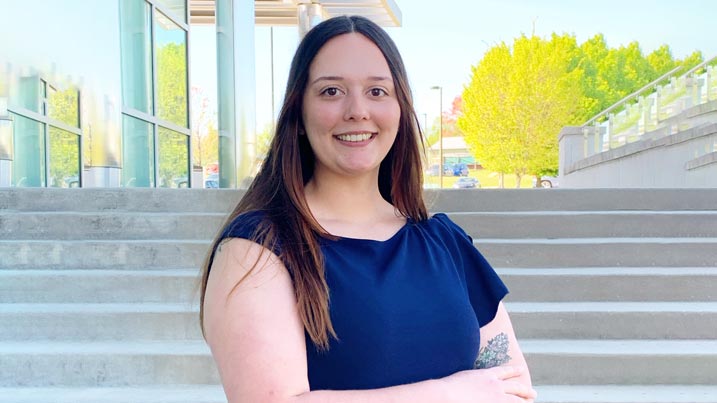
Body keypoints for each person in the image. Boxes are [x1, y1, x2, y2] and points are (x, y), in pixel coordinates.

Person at [199, 15, 536, 403]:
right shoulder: (257, 249)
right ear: (299, 116)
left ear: (400, 110)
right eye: (331, 92)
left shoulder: (447, 243)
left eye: (377, 91)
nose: (358, 111)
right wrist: (449, 393)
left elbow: (514, 388)